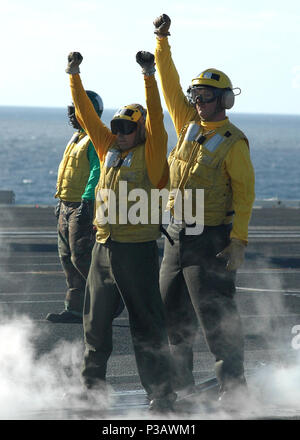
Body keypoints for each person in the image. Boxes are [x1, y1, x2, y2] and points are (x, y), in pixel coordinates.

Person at [64, 50, 176, 413]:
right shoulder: (108, 147)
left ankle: (161, 396)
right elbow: (85, 114)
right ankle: (90, 391)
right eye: (116, 127)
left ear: (140, 129)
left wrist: (149, 74)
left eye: (127, 128)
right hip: (103, 250)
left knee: (147, 328)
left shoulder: (154, 153)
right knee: (94, 328)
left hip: (137, 251)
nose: (120, 133)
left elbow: (157, 117)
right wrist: (74, 74)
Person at [153, 14, 255, 410]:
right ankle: (181, 387)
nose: (197, 101)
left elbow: (245, 194)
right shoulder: (187, 126)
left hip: (210, 238)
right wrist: (162, 39)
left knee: (216, 321)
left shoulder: (233, 142)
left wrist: (238, 241)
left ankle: (234, 390)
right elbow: (168, 85)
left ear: (225, 100)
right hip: (176, 235)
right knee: (171, 318)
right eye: (196, 96)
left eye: (206, 97)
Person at [46, 92, 103, 324]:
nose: (70, 115)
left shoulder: (95, 139)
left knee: (82, 257)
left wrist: (88, 202)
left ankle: (105, 302)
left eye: (75, 110)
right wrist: (60, 201)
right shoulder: (77, 137)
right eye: (70, 110)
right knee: (67, 257)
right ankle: (75, 308)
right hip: (66, 205)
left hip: (81, 206)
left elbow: (96, 172)